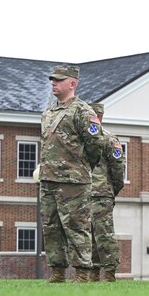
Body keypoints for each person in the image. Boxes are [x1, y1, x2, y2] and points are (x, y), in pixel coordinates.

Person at [39, 65, 103, 283]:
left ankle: (83, 274)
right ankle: (57, 273)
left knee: (76, 227)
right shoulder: (49, 112)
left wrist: (80, 167)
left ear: (72, 83)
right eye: (52, 80)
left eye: (58, 80)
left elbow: (95, 145)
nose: (53, 83)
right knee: (51, 228)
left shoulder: (83, 111)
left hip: (73, 181)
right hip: (48, 179)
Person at [87, 103, 125, 282]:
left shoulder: (109, 139)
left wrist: (111, 189)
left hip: (101, 193)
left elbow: (118, 170)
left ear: (99, 116)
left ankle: (109, 273)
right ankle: (92, 274)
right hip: (82, 193)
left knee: (104, 234)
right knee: (88, 235)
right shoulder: (81, 139)